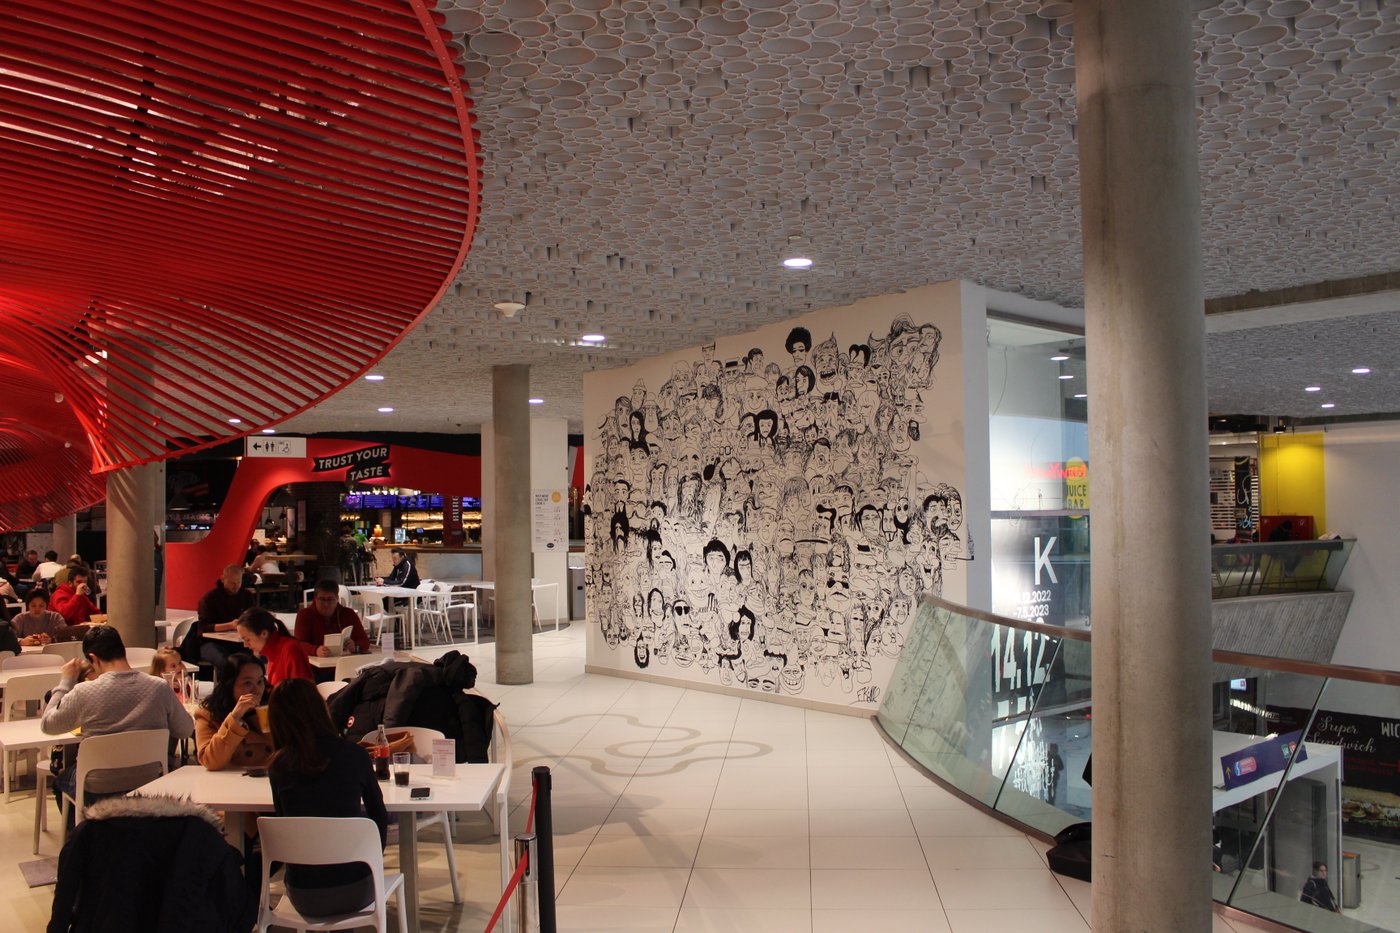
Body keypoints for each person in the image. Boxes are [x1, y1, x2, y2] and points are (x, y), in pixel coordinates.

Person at [267, 677, 388, 919]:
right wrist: (372, 859)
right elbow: (379, 816)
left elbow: (286, 823)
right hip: (356, 888)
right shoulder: (355, 755)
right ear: (320, 709)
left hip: (303, 893)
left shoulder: (279, 766)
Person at [40, 625, 195, 814]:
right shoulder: (159, 687)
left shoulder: (84, 692)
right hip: (150, 781)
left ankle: (84, 837)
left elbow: (48, 725)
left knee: (60, 782)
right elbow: (185, 730)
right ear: (123, 651)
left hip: (97, 786)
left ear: (92, 659)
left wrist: (65, 681)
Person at [195, 653, 272, 771]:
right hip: (231, 783)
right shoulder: (208, 715)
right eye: (247, 683)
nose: (256, 690)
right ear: (230, 685)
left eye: (260, 682)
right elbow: (210, 761)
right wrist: (235, 717)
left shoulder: (271, 707)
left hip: (270, 780)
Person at [187, 564, 257, 668]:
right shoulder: (210, 598)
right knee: (226, 663)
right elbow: (204, 628)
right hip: (211, 642)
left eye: (238, 582)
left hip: (238, 642)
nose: (235, 586)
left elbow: (253, 617)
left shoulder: (246, 596)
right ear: (223, 579)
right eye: (232, 583)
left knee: (251, 661)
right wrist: (230, 625)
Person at [236, 608, 313, 687]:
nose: (245, 645)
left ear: (264, 634)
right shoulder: (272, 651)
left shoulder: (290, 648)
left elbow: (303, 691)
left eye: (248, 639)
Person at [294, 580, 370, 656]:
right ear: (315, 599)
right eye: (322, 599)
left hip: (344, 663)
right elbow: (298, 645)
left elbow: (365, 641)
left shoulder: (348, 614)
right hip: (316, 665)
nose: (326, 604)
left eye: (330, 599)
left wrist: (355, 646)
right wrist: (315, 650)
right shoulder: (305, 615)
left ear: (337, 598)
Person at [12, 589, 87, 644]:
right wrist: (21, 641)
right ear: (28, 606)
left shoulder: (55, 617)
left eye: (41, 605)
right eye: (33, 605)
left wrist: (52, 640)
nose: (37, 609)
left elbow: (65, 636)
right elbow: (8, 638)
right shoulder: (20, 618)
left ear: (46, 606)